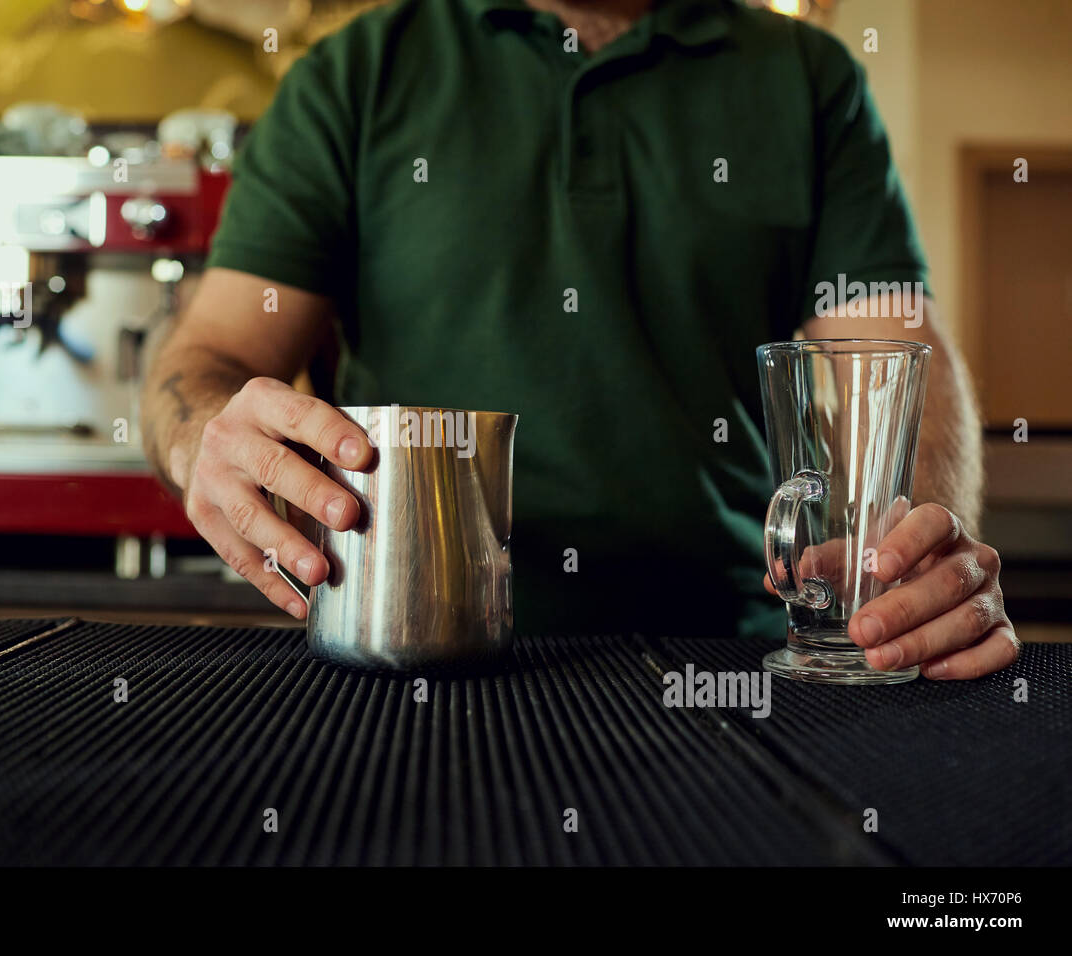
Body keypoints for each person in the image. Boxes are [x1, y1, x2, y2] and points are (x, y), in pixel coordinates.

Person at [140, 0, 1018, 679]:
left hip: (729, 657)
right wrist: (201, 435)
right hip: (407, 650)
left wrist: (922, 545)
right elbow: (215, 350)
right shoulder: (355, 72)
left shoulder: (804, 76)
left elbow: (902, 360)